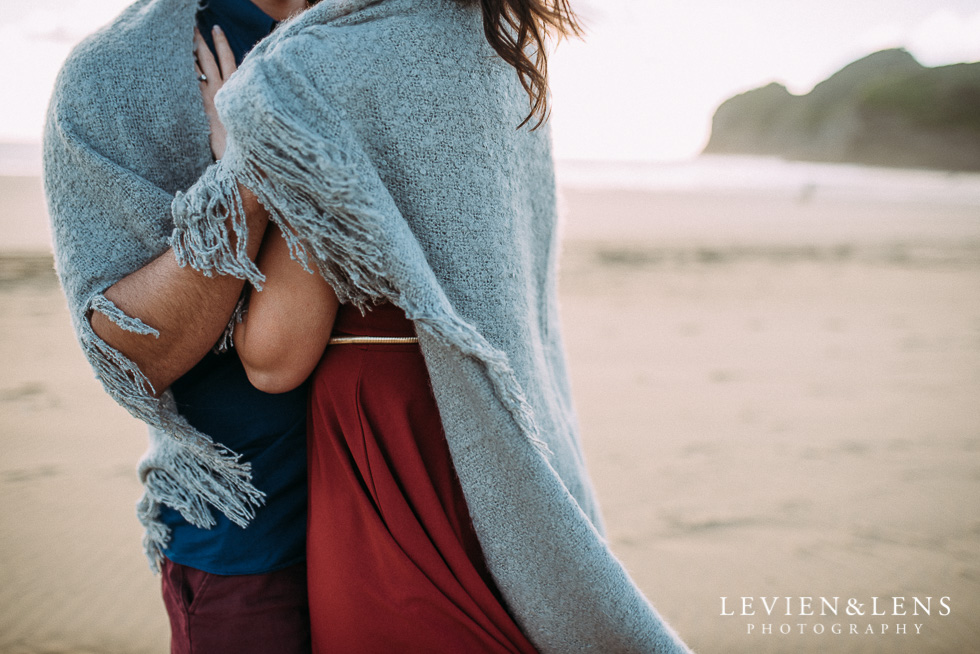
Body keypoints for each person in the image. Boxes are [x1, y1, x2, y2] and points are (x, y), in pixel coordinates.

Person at [171, 0, 693, 651]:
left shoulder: (310, 67)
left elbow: (274, 359)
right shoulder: (506, 45)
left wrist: (240, 165)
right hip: (496, 438)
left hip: (391, 449)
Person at [42, 0, 315, 651]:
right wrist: (245, 180)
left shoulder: (393, 29)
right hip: (254, 545)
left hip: (420, 514)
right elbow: (132, 356)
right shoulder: (115, 75)